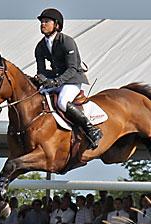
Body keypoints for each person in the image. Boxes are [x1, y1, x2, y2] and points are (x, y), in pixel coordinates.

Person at [35, 8, 102, 150]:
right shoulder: (40, 46)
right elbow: (40, 71)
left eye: (46, 21)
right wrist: (41, 79)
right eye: (42, 22)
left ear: (57, 25)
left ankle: (91, 129)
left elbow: (72, 68)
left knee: (62, 102)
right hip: (55, 81)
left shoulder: (67, 41)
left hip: (72, 80)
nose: (43, 24)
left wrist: (56, 81)